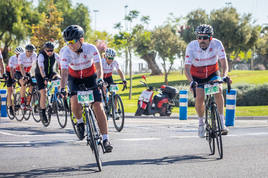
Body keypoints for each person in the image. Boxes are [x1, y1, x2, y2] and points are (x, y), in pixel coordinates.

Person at [59, 25, 113, 152]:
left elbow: (99, 68)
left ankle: (105, 139)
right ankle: (79, 122)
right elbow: (65, 72)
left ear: (81, 40)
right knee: (74, 101)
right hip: (74, 78)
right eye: (67, 42)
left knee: (98, 106)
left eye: (72, 41)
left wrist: (100, 80)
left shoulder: (91, 48)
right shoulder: (65, 52)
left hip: (91, 77)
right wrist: (62, 88)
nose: (70, 45)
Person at [184, 24, 230, 138]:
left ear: (210, 38)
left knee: (218, 90)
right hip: (197, 76)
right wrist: (191, 81)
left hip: (212, 73)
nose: (202, 40)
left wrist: (224, 76)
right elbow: (186, 69)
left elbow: (224, 63)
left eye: (205, 37)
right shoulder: (191, 47)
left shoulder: (217, 44)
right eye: (199, 37)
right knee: (199, 97)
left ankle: (222, 123)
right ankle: (201, 124)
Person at [35, 42, 60, 123]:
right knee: (44, 92)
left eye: (51, 50)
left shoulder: (55, 55)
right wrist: (44, 77)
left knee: (60, 79)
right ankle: (42, 112)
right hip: (40, 75)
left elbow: (61, 64)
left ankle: (56, 96)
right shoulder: (41, 56)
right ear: (44, 50)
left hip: (50, 73)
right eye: (48, 50)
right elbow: (41, 68)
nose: (50, 52)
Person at [18, 44, 37, 110]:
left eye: (31, 51)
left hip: (28, 71)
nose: (30, 53)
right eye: (28, 51)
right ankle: (22, 102)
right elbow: (21, 67)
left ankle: (28, 102)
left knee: (33, 84)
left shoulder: (34, 55)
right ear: (25, 51)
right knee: (24, 83)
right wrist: (24, 76)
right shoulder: (21, 55)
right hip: (20, 71)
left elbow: (36, 66)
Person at [6, 47, 24, 115]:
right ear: (15, 54)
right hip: (9, 72)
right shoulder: (12, 58)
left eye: (20, 55)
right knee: (10, 90)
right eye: (18, 54)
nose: (19, 56)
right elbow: (11, 70)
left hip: (18, 72)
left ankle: (20, 101)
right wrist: (13, 79)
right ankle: (10, 107)